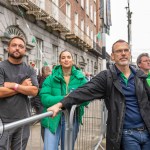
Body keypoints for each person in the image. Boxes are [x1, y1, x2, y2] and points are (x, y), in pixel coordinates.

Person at [47, 40, 150, 150]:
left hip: (147, 131)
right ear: (112, 56)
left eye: (126, 50)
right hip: (126, 134)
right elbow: (85, 90)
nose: (123, 53)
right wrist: (60, 104)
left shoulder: (140, 76)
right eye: (119, 51)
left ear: (130, 54)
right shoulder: (106, 77)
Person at [39, 50, 88, 150]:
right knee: (49, 148)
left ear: (72, 60)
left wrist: (70, 99)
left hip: (72, 118)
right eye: (63, 57)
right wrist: (65, 98)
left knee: (68, 148)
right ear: (60, 61)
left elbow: (87, 98)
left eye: (68, 57)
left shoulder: (81, 78)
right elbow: (44, 98)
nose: (66, 60)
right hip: (52, 118)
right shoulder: (50, 78)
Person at [0, 36, 39, 150]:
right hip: (3, 121)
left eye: (21, 46)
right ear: (8, 48)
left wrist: (14, 85)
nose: (17, 48)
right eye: (14, 45)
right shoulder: (1, 67)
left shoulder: (29, 69)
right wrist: (23, 87)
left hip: (23, 121)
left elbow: (34, 91)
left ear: (25, 50)